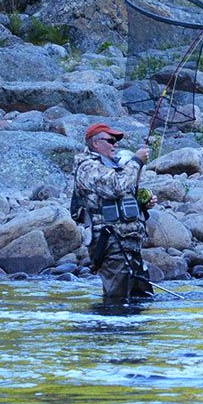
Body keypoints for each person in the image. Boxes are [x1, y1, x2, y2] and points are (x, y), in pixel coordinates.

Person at [72, 122, 156, 302]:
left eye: (116, 141)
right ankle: (109, 329)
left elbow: (123, 196)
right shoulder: (87, 167)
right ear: (95, 143)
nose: (115, 144)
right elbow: (116, 187)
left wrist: (143, 204)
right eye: (110, 140)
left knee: (142, 298)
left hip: (130, 243)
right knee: (117, 301)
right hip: (110, 242)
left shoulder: (114, 166)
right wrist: (136, 161)